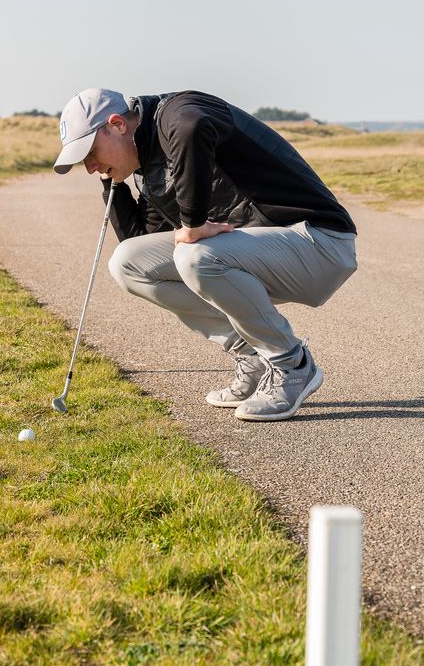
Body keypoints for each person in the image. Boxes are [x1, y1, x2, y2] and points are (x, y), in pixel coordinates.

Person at [53, 88, 357, 422]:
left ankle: (291, 364)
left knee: (193, 256)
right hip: (265, 254)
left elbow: (192, 126)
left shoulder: (177, 112)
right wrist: (113, 183)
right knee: (126, 263)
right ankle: (252, 355)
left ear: (117, 125)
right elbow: (141, 245)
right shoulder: (149, 172)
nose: (89, 166)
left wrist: (193, 224)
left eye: (91, 152)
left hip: (318, 242)